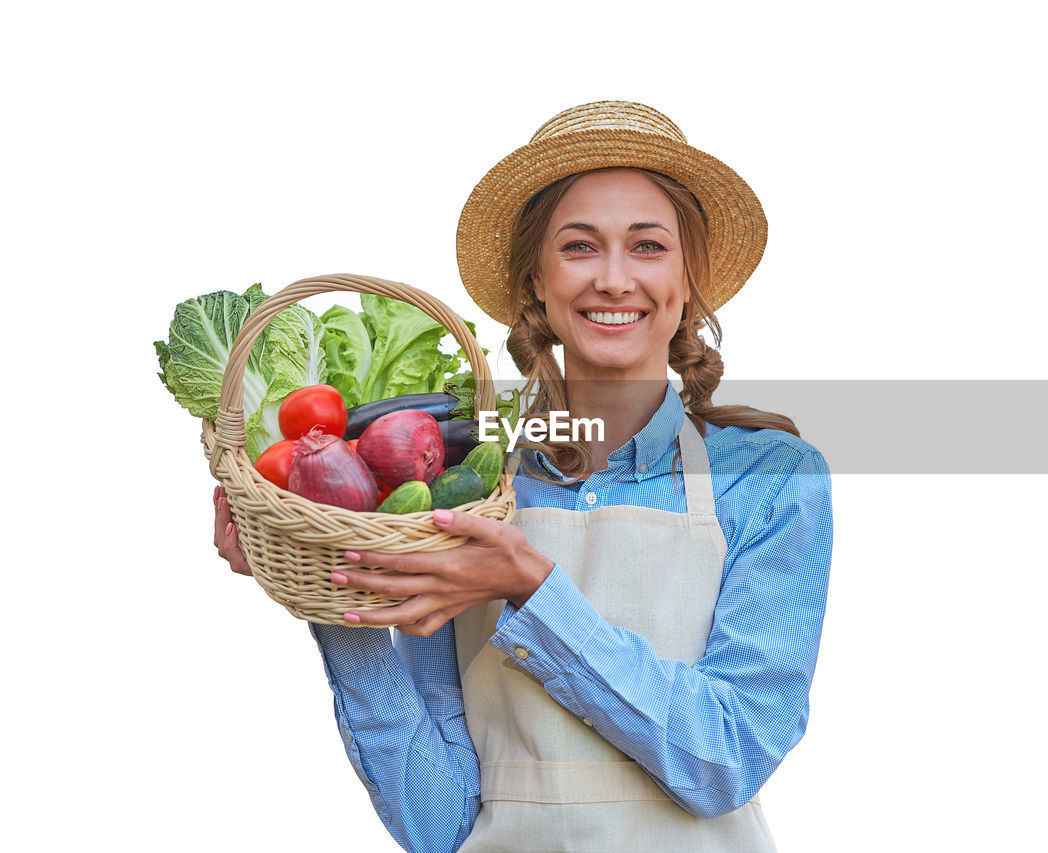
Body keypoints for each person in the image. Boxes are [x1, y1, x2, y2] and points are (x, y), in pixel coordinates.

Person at [212, 100, 833, 853]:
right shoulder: (473, 477)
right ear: (535, 281)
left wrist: (534, 591)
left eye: (646, 246)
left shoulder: (769, 479)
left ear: (688, 278)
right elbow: (440, 824)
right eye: (578, 247)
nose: (613, 278)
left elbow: (725, 757)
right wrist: (339, 579)